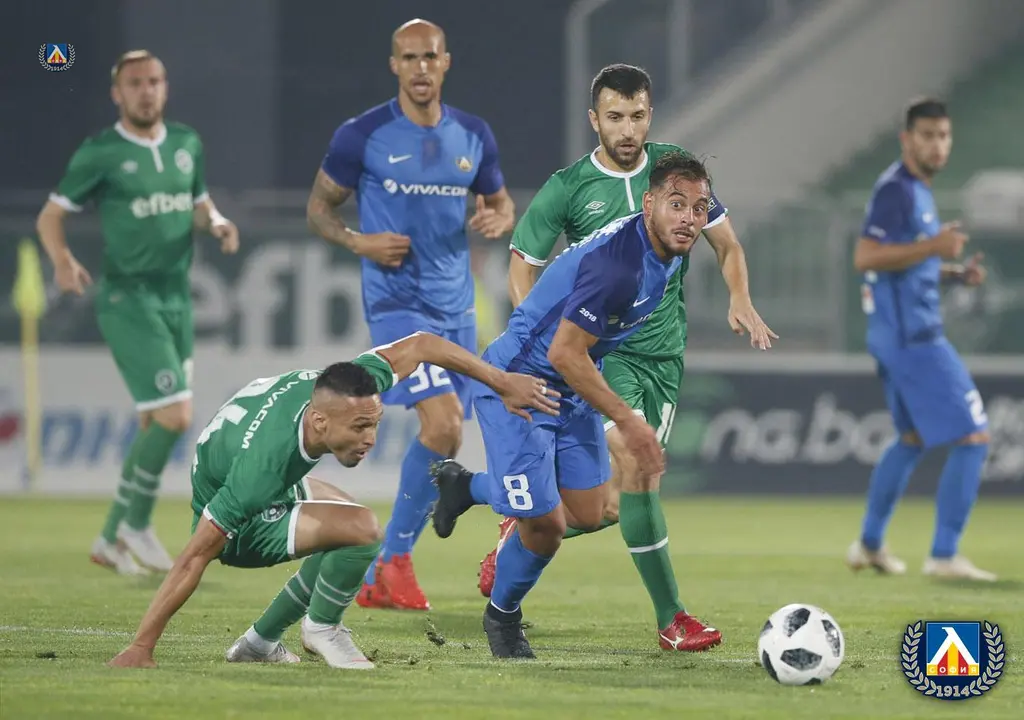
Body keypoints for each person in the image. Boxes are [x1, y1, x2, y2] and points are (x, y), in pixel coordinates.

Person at [476, 64, 775, 651]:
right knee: (638, 472)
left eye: (637, 116)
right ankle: (670, 618)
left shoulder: (676, 176)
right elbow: (524, 268)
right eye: (615, 117)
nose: (628, 129)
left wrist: (740, 295)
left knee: (602, 509)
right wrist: (538, 336)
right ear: (595, 120)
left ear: (651, 116)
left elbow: (728, 244)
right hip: (592, 358)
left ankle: (492, 501)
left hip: (657, 357)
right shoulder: (571, 190)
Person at [105, 331, 560, 670]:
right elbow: (193, 556)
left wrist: (500, 380)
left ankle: (259, 643)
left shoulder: (345, 387)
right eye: (360, 428)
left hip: (249, 475)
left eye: (375, 423)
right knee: (362, 531)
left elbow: (422, 345)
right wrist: (142, 646)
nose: (370, 439)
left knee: (345, 519)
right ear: (320, 422)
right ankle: (322, 628)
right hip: (240, 521)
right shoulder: (261, 472)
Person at [432, 151, 727, 659]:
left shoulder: (666, 254)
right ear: (649, 203)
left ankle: (468, 486)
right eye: (677, 205)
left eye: (699, 209)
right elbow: (564, 353)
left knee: (592, 512)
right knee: (546, 528)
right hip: (520, 388)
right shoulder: (618, 265)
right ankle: (503, 618)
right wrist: (627, 420)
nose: (689, 219)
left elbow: (580, 353)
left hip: (569, 386)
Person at [305, 18, 516, 611]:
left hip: (456, 308)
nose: (420, 67)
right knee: (444, 425)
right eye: (409, 58)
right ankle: (392, 563)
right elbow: (318, 209)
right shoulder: (363, 135)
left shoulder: (473, 135)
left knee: (446, 434)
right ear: (394, 65)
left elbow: (502, 202)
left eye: (430, 57)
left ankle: (388, 567)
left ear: (445, 62)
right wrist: (358, 242)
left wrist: (499, 216)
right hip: (398, 306)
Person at [36, 50, 239, 576]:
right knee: (176, 416)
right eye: (135, 83)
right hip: (129, 299)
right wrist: (62, 260)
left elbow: (199, 203)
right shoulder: (101, 152)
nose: (146, 91)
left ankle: (110, 538)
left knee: (154, 421)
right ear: (117, 93)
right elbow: (50, 216)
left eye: (154, 81)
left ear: (164, 87)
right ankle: (136, 525)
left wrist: (217, 222)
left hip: (177, 300)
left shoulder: (186, 143)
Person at [847, 98, 994, 582]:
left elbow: (904, 263)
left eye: (944, 136)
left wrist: (950, 271)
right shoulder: (897, 189)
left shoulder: (917, 193)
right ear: (906, 139)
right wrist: (934, 246)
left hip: (893, 336)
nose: (937, 145)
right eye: (927, 135)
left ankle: (869, 545)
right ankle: (944, 555)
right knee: (973, 436)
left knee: (910, 439)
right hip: (915, 338)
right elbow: (866, 257)